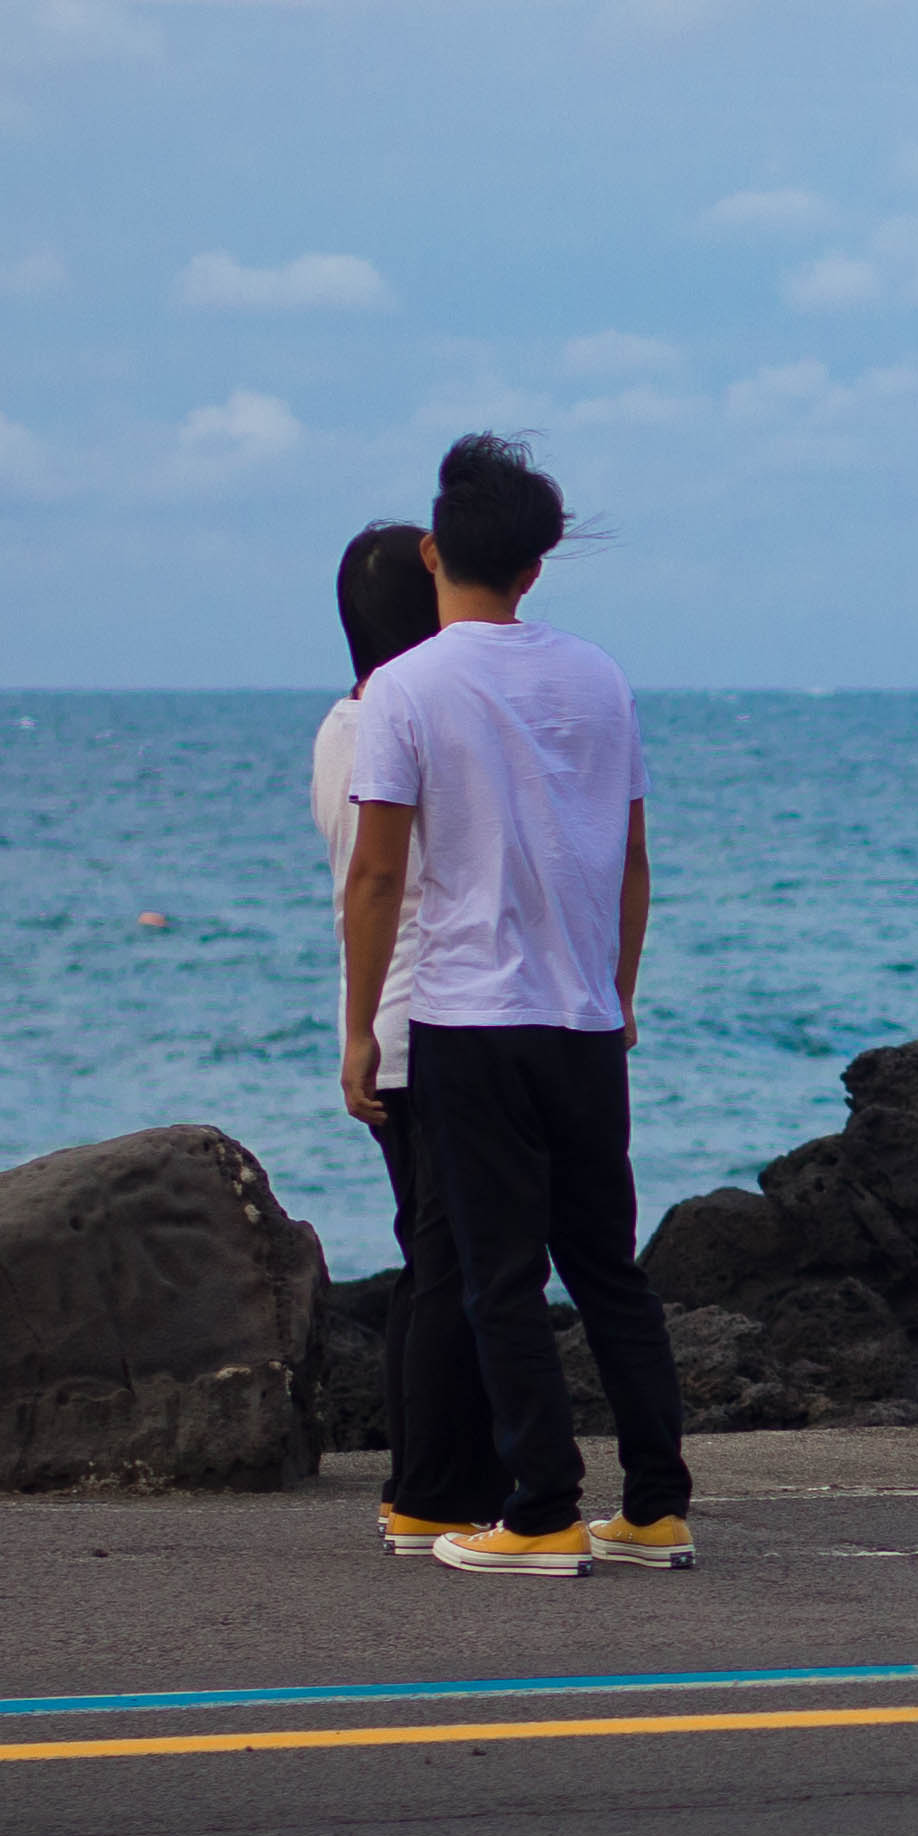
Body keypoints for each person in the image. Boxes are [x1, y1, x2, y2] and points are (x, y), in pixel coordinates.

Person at [334, 433, 693, 1577]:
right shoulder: (600, 675)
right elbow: (634, 855)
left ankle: (541, 1509)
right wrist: (620, 990)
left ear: (437, 550)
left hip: (468, 1023)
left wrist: (356, 1030)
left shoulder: (406, 687)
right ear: (536, 566)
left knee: (496, 1276)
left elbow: (380, 874)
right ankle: (655, 1506)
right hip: (586, 1024)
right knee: (609, 1271)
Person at [313, 524, 502, 1554]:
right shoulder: (396, 724)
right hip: (426, 1017)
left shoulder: (343, 723)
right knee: (448, 1264)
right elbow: (386, 879)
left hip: (391, 1015)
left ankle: (423, 1479)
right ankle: (434, 1484)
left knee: (427, 1257)